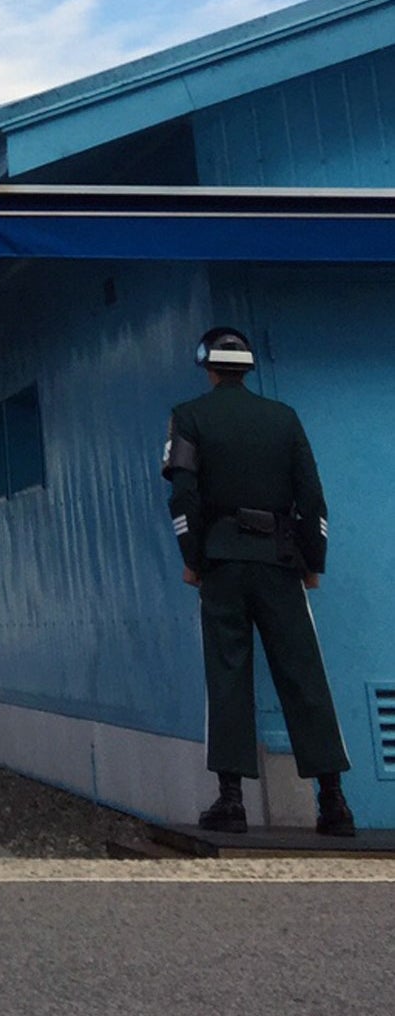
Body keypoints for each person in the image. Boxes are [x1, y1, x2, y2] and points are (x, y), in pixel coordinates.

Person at [164, 327, 354, 837]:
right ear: (248, 367)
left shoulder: (189, 417)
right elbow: (312, 499)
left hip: (222, 561)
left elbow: (183, 497)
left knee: (227, 674)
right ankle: (333, 801)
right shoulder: (284, 419)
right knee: (304, 674)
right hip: (280, 559)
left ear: (207, 366)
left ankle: (232, 801)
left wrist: (193, 558)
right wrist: (314, 561)